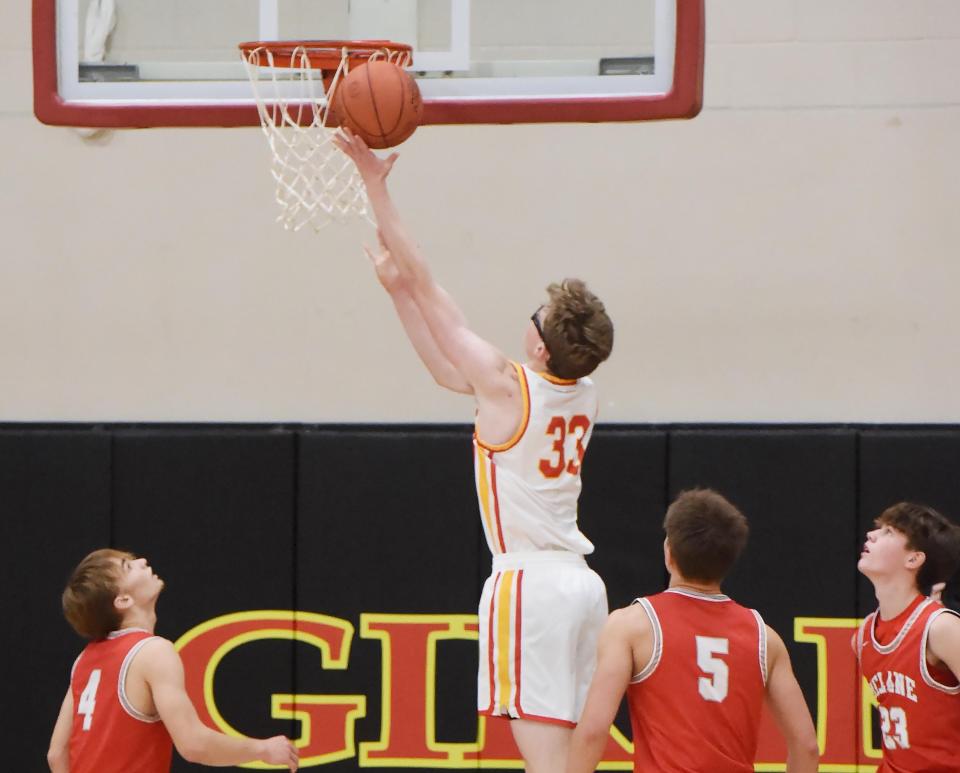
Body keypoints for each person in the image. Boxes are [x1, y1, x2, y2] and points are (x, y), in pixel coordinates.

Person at [333, 129, 614, 772]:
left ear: (540, 346)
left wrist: (376, 185)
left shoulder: (507, 384)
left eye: (535, 316)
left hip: (529, 584)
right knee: (571, 761)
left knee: (546, 764)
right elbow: (444, 367)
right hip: (580, 586)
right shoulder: (582, 393)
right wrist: (400, 293)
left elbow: (433, 286)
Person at [566, 489, 819, 773]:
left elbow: (593, 733)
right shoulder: (765, 638)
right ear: (729, 561)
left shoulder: (633, 625)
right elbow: (806, 746)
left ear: (668, 552)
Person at [47, 549, 299, 772]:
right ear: (123, 600)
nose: (143, 561)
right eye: (128, 565)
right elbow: (194, 745)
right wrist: (262, 749)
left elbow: (56, 755)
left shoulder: (84, 660)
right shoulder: (153, 652)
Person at [855, 502, 960, 772]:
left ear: (913, 559)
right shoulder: (863, 636)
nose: (871, 534)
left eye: (888, 531)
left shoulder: (941, 628)